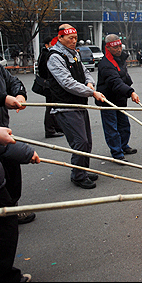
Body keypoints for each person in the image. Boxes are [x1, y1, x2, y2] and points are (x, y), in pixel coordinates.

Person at [0, 21, 36, 225]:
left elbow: (12, 81)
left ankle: (12, 207)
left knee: (11, 172)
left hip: (1, 129)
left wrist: (19, 94)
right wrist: (3, 98)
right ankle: (3, 216)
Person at [0, 92, 39, 283]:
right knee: (3, 226)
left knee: (1, 224)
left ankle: (1, 273)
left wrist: (3, 98)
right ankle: (2, 275)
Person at [46, 24, 106, 189]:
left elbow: (85, 71)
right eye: (70, 38)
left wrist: (89, 83)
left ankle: (83, 170)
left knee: (87, 142)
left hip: (79, 104)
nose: (74, 41)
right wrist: (91, 92)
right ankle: (78, 176)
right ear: (60, 38)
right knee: (80, 141)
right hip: (65, 106)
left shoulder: (74, 54)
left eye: (75, 37)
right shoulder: (55, 57)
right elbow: (66, 82)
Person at [96, 34, 140, 161]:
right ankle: (116, 153)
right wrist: (130, 92)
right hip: (108, 99)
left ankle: (123, 146)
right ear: (108, 48)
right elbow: (115, 82)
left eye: (120, 46)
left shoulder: (120, 58)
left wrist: (129, 86)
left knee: (124, 124)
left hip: (120, 98)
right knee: (111, 128)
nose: (119, 49)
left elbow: (124, 75)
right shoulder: (106, 64)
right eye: (115, 47)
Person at [37, 36, 64, 138]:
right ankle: (50, 129)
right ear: (47, 45)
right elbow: (44, 70)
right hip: (49, 85)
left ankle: (56, 127)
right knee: (51, 107)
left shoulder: (46, 54)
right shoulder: (47, 55)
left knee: (55, 106)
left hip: (50, 84)